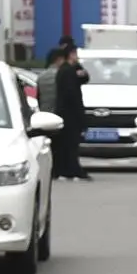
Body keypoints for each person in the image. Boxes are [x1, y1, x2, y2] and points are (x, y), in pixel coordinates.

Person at [47, 42, 90, 179]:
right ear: (71, 54)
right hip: (69, 115)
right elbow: (72, 96)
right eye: (75, 54)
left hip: (66, 114)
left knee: (68, 144)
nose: (77, 57)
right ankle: (70, 170)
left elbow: (85, 77)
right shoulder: (68, 72)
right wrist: (80, 117)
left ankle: (67, 169)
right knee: (69, 145)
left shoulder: (68, 69)